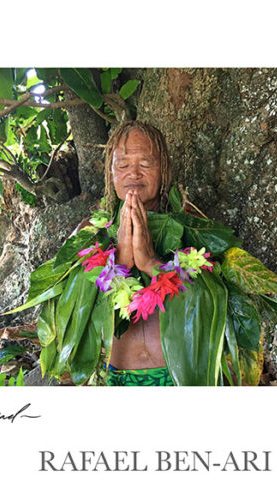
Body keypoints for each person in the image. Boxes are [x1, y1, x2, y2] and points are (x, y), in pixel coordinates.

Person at [100, 120, 174, 386]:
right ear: (111, 173)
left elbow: (207, 306)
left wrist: (151, 263)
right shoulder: (89, 234)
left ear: (163, 169)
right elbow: (76, 312)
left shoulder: (192, 228)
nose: (134, 173)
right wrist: (118, 261)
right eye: (122, 165)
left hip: (179, 374)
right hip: (116, 376)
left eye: (145, 164)